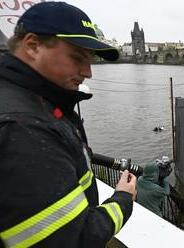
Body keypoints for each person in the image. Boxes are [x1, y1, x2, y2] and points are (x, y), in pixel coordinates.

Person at [0, 2, 137, 247]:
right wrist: (123, 199)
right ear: (32, 46)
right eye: (77, 58)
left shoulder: (33, 101)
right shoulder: (24, 128)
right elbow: (74, 241)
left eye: (90, 60)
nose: (88, 72)